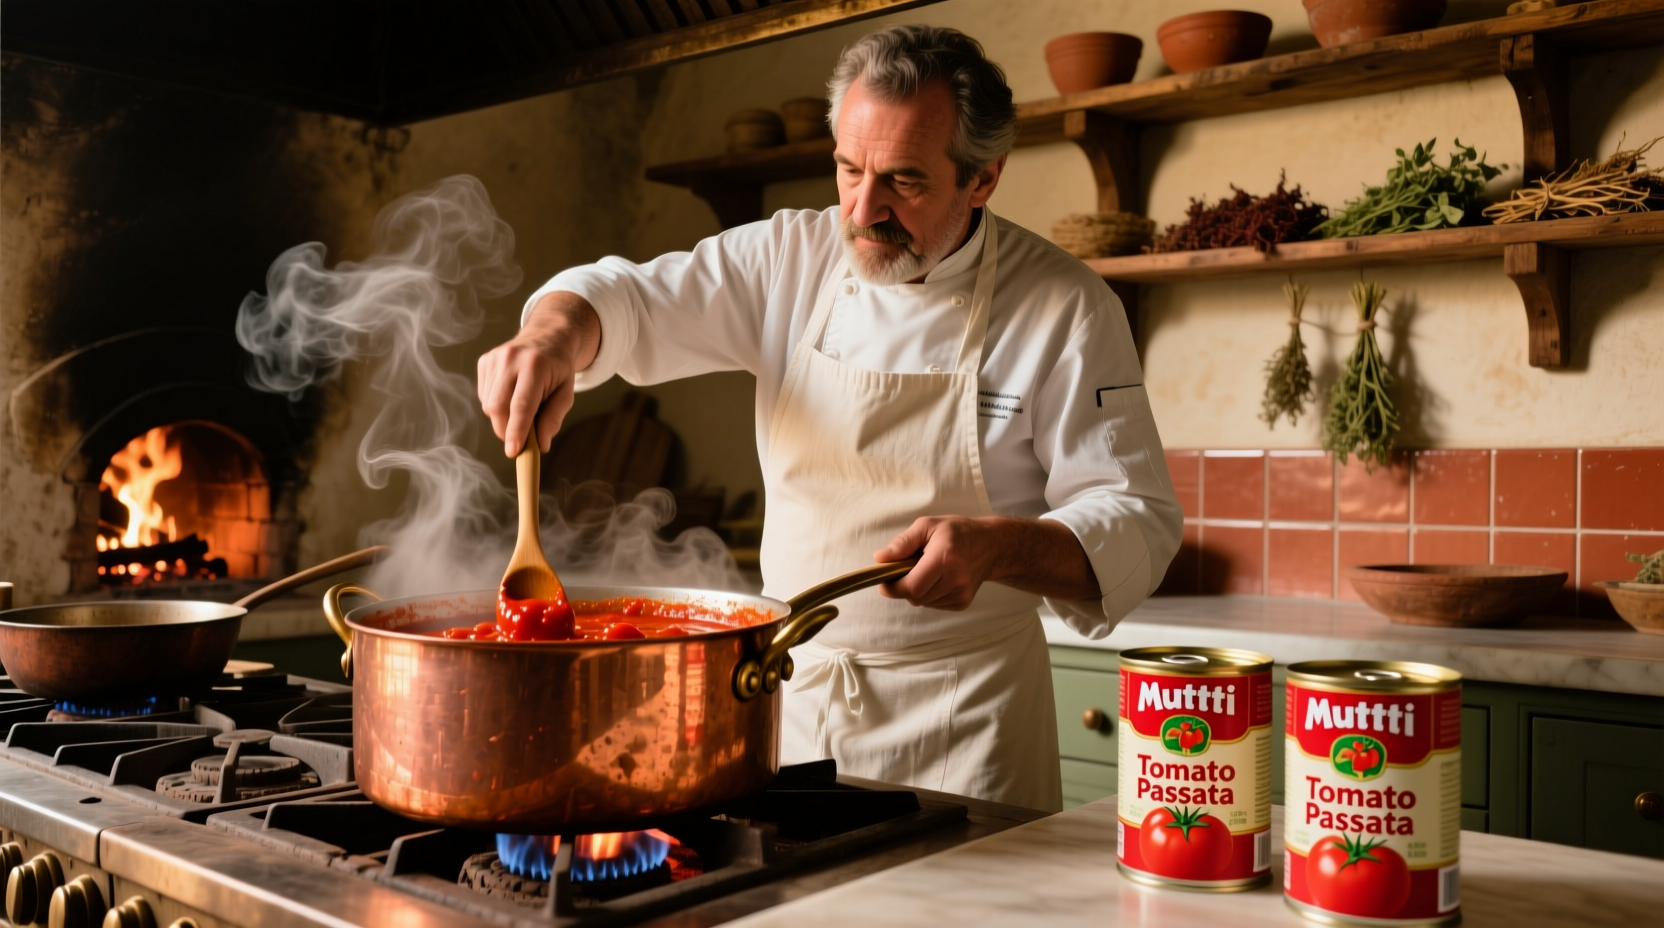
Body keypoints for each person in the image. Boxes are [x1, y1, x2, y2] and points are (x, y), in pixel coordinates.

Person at [476, 24, 1182, 811]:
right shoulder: (789, 259)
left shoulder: (1066, 308)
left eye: (904, 182)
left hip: (969, 726)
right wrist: (550, 335)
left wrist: (998, 546)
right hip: (791, 703)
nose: (862, 209)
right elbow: (632, 296)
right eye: (849, 168)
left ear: (982, 180)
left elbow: (1138, 521)